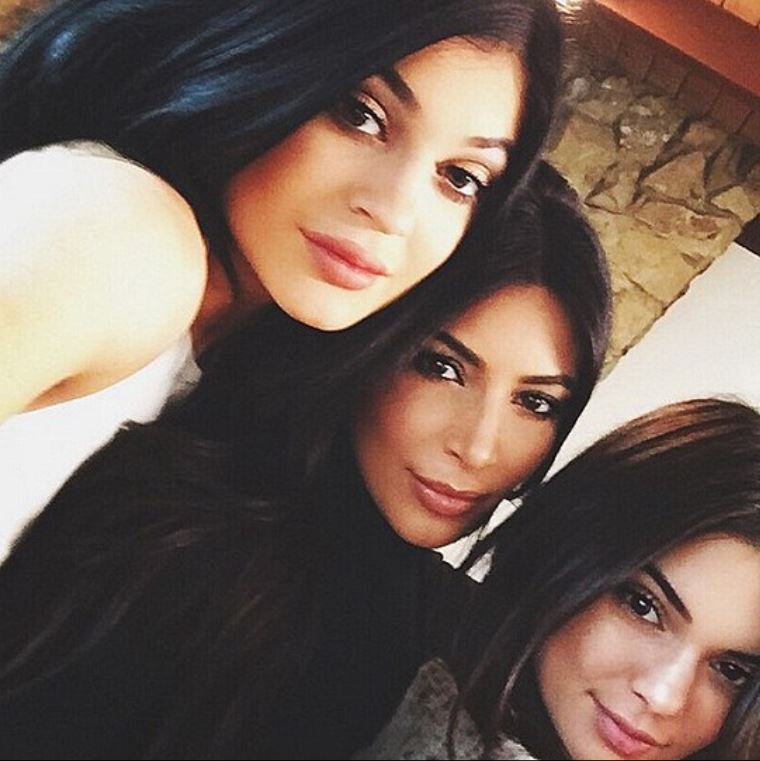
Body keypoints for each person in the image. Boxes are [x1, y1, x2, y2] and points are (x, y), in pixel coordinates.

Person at [0, 162, 612, 758]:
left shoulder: (444, 624)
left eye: (535, 403)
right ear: (373, 341)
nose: (478, 447)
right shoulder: (173, 527)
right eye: (440, 367)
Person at [0, 0, 564, 552]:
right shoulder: (125, 235)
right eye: (360, 115)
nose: (395, 212)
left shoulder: (217, 357)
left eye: (460, 177)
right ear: (264, 59)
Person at [361, 398, 760, 760]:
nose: (664, 696)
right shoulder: (377, 638)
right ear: (565, 553)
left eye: (731, 670)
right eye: (643, 606)